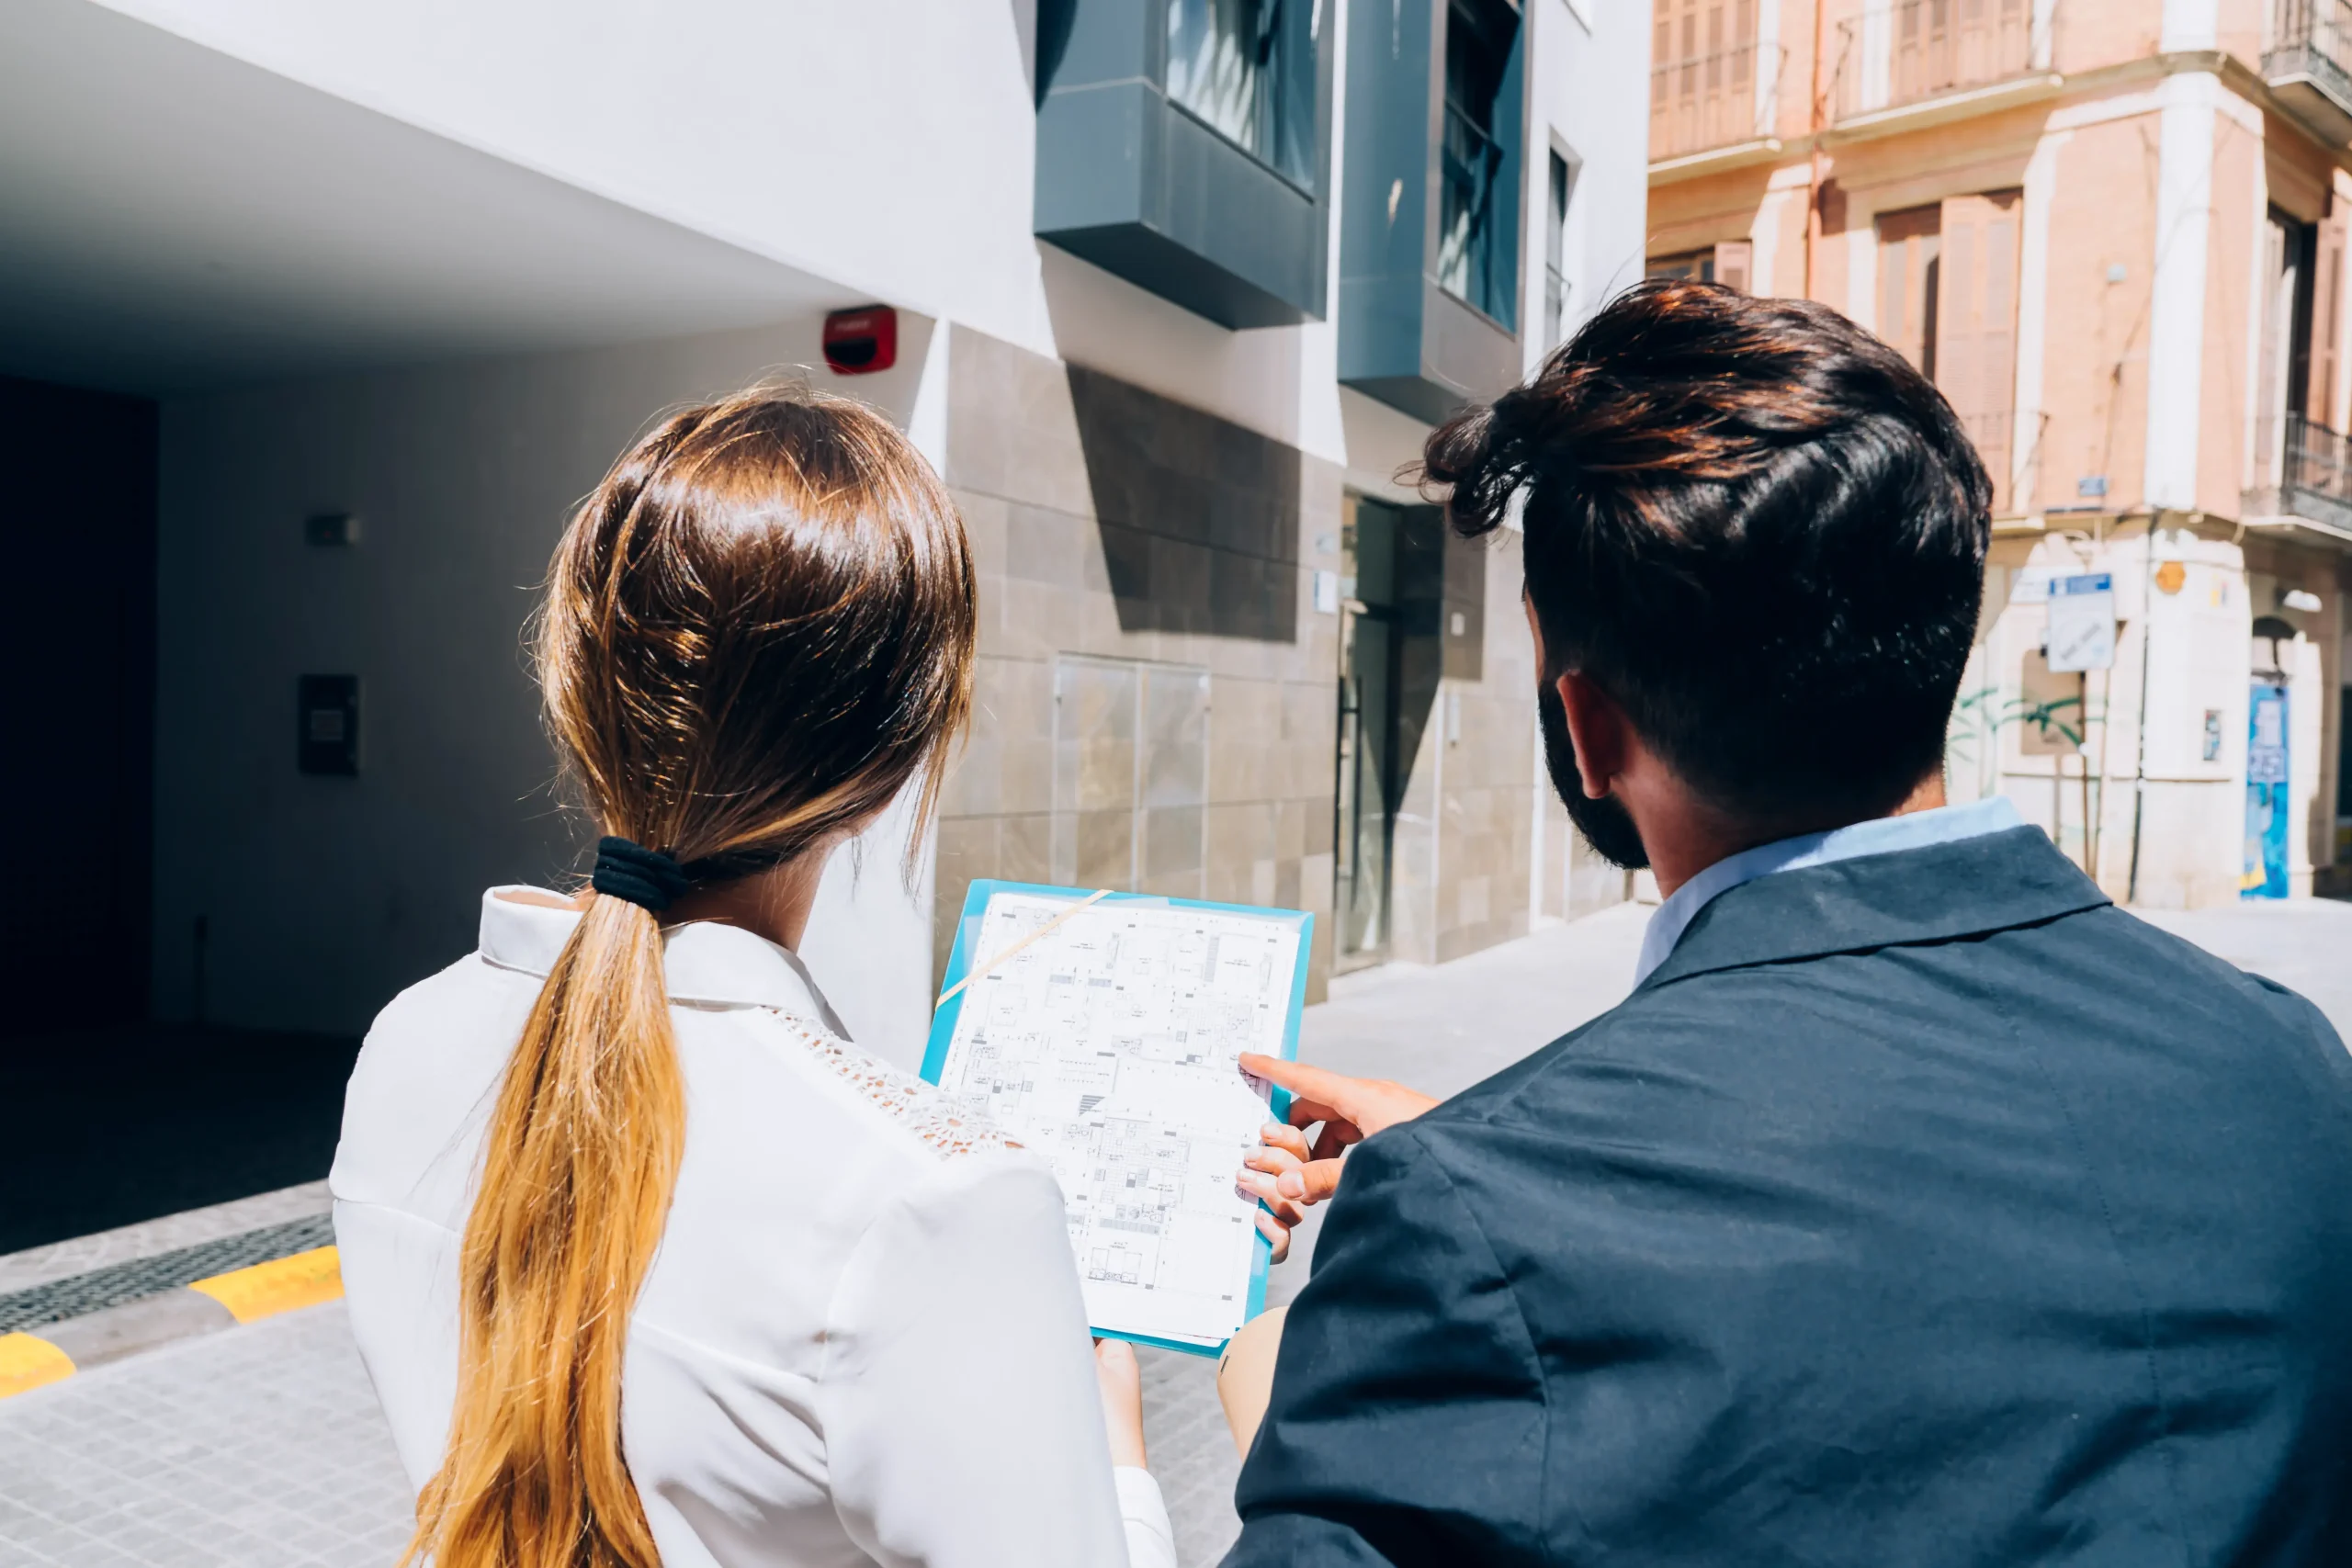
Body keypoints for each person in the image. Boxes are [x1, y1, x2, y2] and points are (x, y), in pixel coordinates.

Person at [1226, 281, 2352, 1563]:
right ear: (1938, 648)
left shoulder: (1465, 1227)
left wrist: (1284, 1373)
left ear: (1586, 726)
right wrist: (1492, 1165)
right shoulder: (2294, 1064)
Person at [330, 388, 1177, 1568]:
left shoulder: (408, 1040)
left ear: (579, 694)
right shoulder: (943, 1205)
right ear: (891, 769)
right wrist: (1122, 1470)